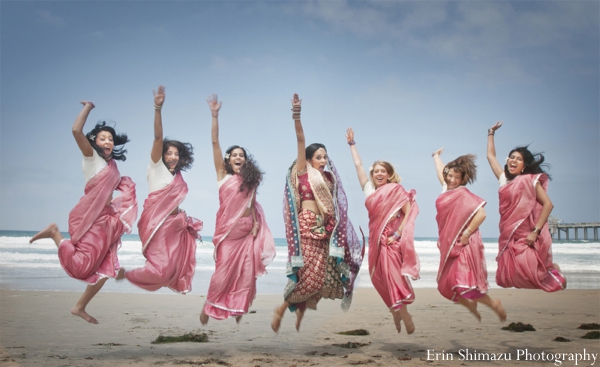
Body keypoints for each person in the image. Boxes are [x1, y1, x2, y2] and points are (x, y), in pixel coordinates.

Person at [29, 101, 137, 324]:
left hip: (106, 219)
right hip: (92, 218)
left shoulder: (112, 165)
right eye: (102, 138)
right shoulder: (91, 157)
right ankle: (55, 234)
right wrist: (88, 107)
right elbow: (76, 131)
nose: (107, 141)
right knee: (81, 267)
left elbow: (111, 186)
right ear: (93, 142)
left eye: (110, 138)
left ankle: (79, 307)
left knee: (106, 269)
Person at [271, 95, 364, 333]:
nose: (323, 160)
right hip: (307, 226)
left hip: (325, 230)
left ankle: (298, 310)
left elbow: (334, 206)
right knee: (309, 278)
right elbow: (301, 139)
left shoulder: (329, 179)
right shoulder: (303, 172)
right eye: (319, 157)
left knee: (322, 278)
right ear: (309, 160)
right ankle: (282, 308)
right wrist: (297, 114)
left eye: (325, 157)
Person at [200, 94, 276, 324]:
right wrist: (214, 115)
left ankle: (236, 308)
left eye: (241, 155)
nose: (238, 157)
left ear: (245, 160)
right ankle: (209, 306)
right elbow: (214, 143)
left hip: (246, 232)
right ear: (228, 160)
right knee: (222, 273)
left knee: (245, 275)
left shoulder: (250, 181)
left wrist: (255, 224)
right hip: (227, 233)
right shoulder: (223, 177)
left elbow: (252, 204)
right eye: (234, 155)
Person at [120, 86, 203, 293]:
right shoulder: (156, 167)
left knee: (171, 266)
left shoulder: (178, 177)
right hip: (156, 225)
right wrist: (158, 108)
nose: (173, 157)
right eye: (169, 153)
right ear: (162, 155)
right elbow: (158, 138)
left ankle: (152, 278)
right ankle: (128, 274)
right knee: (160, 271)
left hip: (173, 227)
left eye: (176, 154)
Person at [345, 127, 418, 334]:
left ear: (388, 174)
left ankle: (405, 316)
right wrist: (352, 144)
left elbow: (408, 212)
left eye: (382, 171)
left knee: (394, 279)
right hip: (376, 242)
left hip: (392, 243)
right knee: (380, 280)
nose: (379, 174)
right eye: (376, 171)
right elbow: (358, 165)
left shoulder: (395, 190)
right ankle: (395, 313)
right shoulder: (369, 190)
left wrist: (397, 234)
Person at [486, 121, 566, 291]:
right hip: (508, 233)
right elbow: (490, 156)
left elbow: (548, 204)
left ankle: (553, 271)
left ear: (524, 166)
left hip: (526, 233)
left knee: (531, 271)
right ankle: (551, 271)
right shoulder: (504, 180)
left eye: (519, 159)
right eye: (512, 157)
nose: (514, 160)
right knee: (507, 277)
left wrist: (535, 232)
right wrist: (491, 133)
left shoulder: (529, 181)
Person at [432, 148, 506, 322]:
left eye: (456, 177)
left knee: (462, 280)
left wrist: (465, 235)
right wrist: (436, 157)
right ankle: (471, 304)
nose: (452, 180)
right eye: (449, 175)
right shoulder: (446, 189)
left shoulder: (464, 194)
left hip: (464, 243)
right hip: (449, 243)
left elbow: (481, 214)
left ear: (463, 179)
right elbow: (440, 172)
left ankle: (493, 304)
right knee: (450, 283)